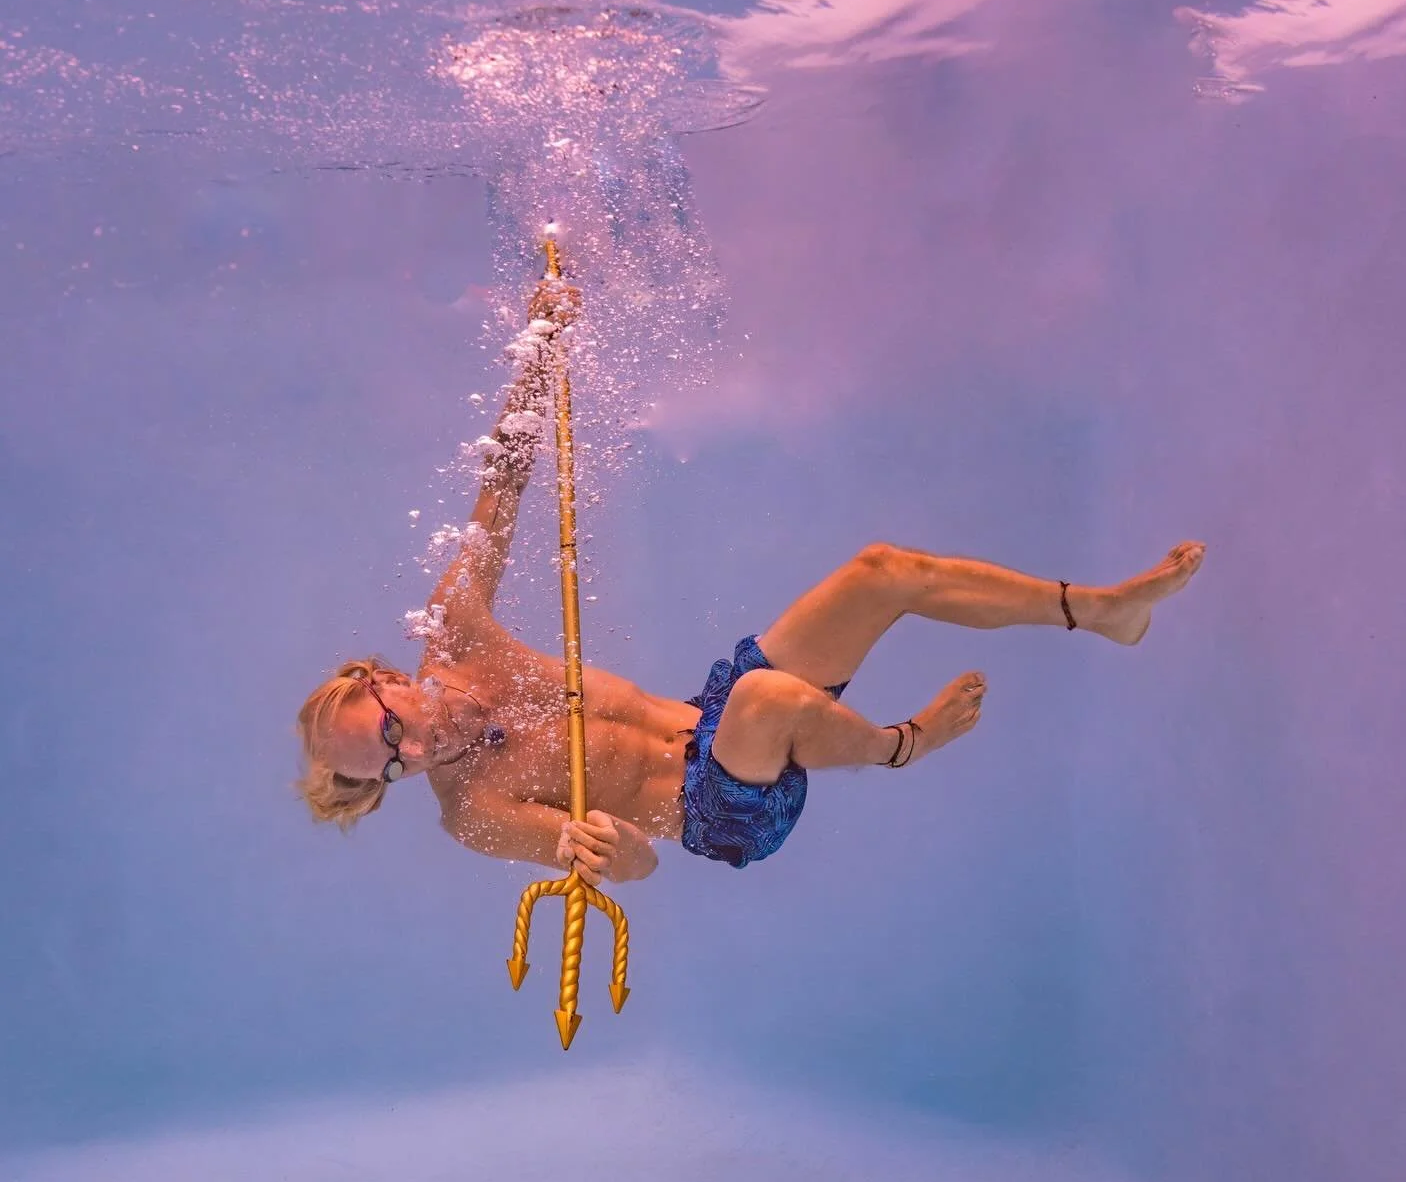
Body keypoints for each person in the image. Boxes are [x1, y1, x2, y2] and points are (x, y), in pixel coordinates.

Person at [295, 280, 1206, 885]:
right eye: (392, 769)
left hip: (716, 716)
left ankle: (1102, 610)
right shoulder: (473, 815)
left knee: (882, 572)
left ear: (388, 680)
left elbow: (500, 493)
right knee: (769, 698)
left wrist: (538, 360)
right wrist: (600, 851)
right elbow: (643, 868)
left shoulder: (459, 628)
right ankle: (902, 747)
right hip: (726, 809)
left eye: (391, 730)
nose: (413, 753)